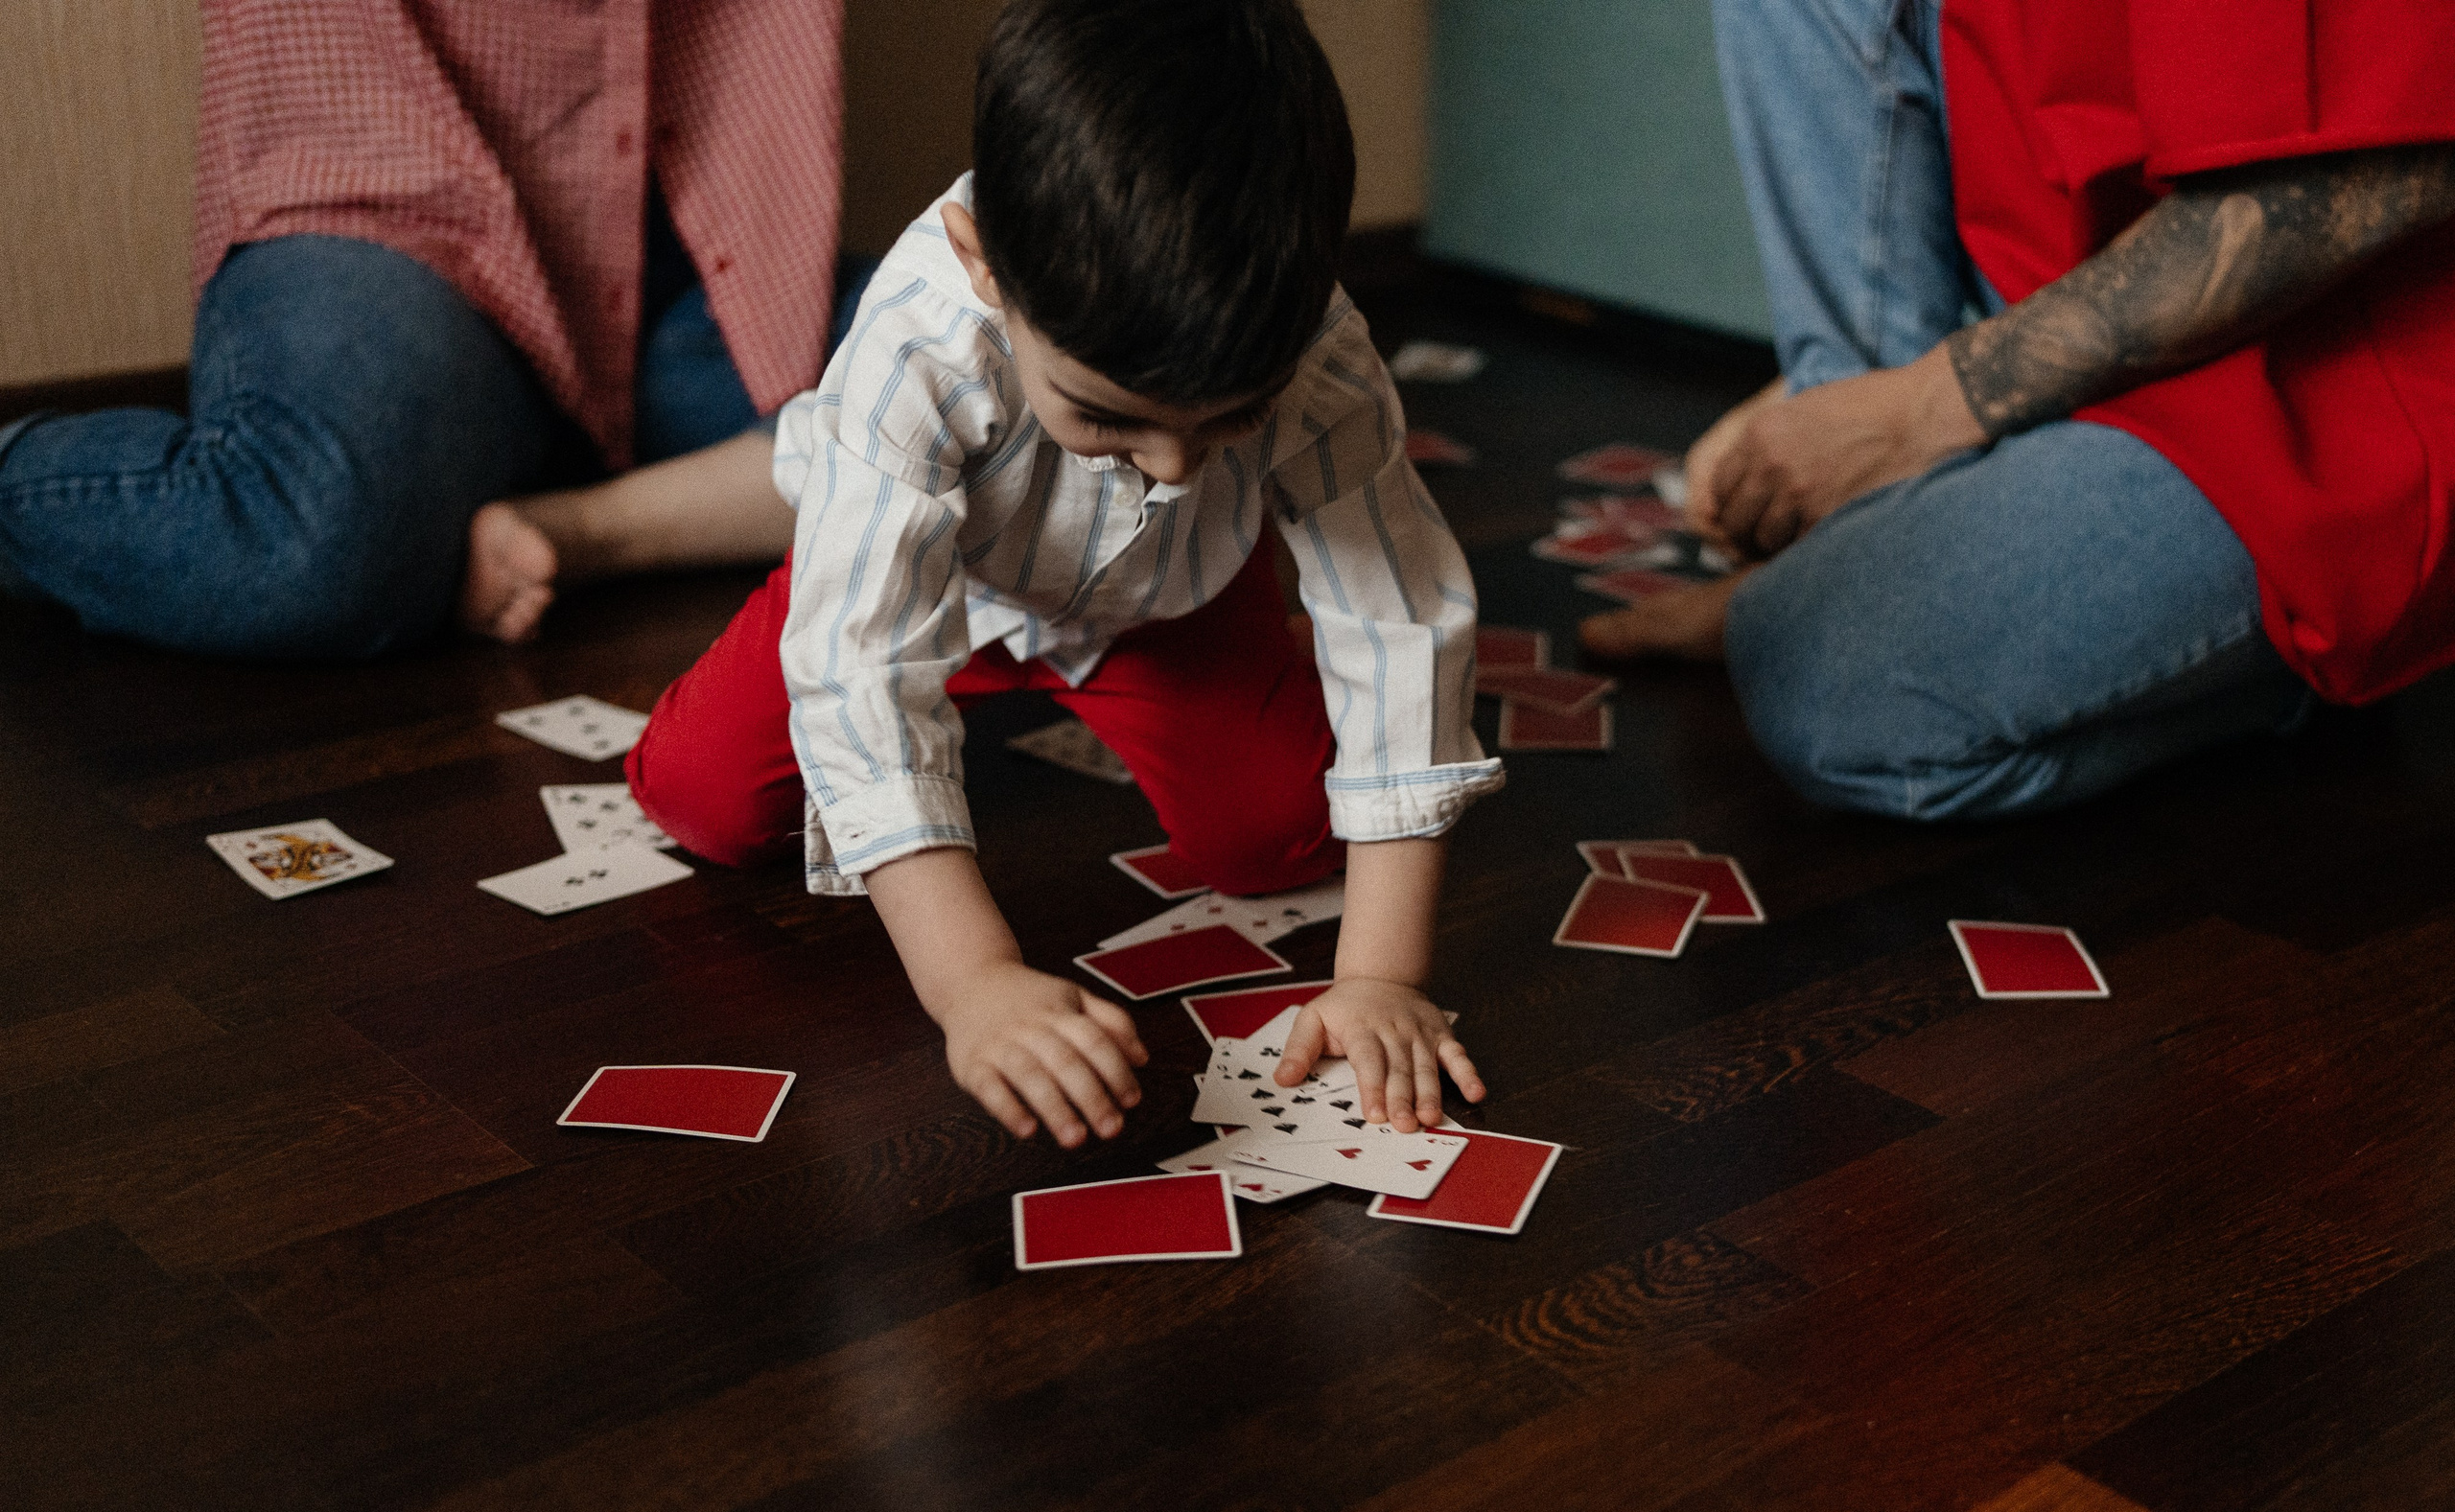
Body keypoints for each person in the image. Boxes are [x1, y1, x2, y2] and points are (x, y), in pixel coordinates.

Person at [625, 0, 1504, 1150]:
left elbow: (1396, 619)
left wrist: (1385, 974)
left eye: (1231, 420)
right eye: (1109, 417)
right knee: (698, 805)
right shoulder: (915, 343)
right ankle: (745, 509)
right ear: (986, 265)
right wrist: (973, 979)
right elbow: (861, 667)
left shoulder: (1321, 349)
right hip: (945, 587)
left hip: (1172, 602)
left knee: (1275, 844)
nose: (1178, 466)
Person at [1585, 0, 2455, 821]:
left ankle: (2289, 673)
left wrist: (1925, 407)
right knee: (1811, 622)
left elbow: (2363, 182)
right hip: (2088, 314)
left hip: (2339, 392)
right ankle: (1842, 533)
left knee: (1820, 685)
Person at [0, 1, 865, 660]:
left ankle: (575, 528)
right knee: (320, 530)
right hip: (397, 202)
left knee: (972, 365)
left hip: (684, 239)